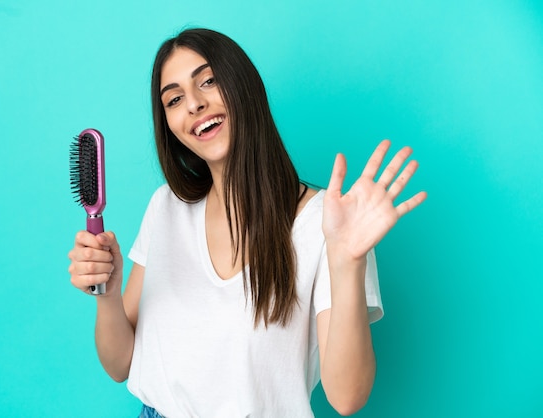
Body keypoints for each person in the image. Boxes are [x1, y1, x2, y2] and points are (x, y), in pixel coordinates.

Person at [68, 28, 426, 418]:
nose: (194, 104)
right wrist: (108, 294)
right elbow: (120, 364)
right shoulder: (166, 208)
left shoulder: (330, 225)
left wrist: (348, 260)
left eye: (208, 80)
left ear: (244, 86)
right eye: (174, 99)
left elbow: (347, 397)